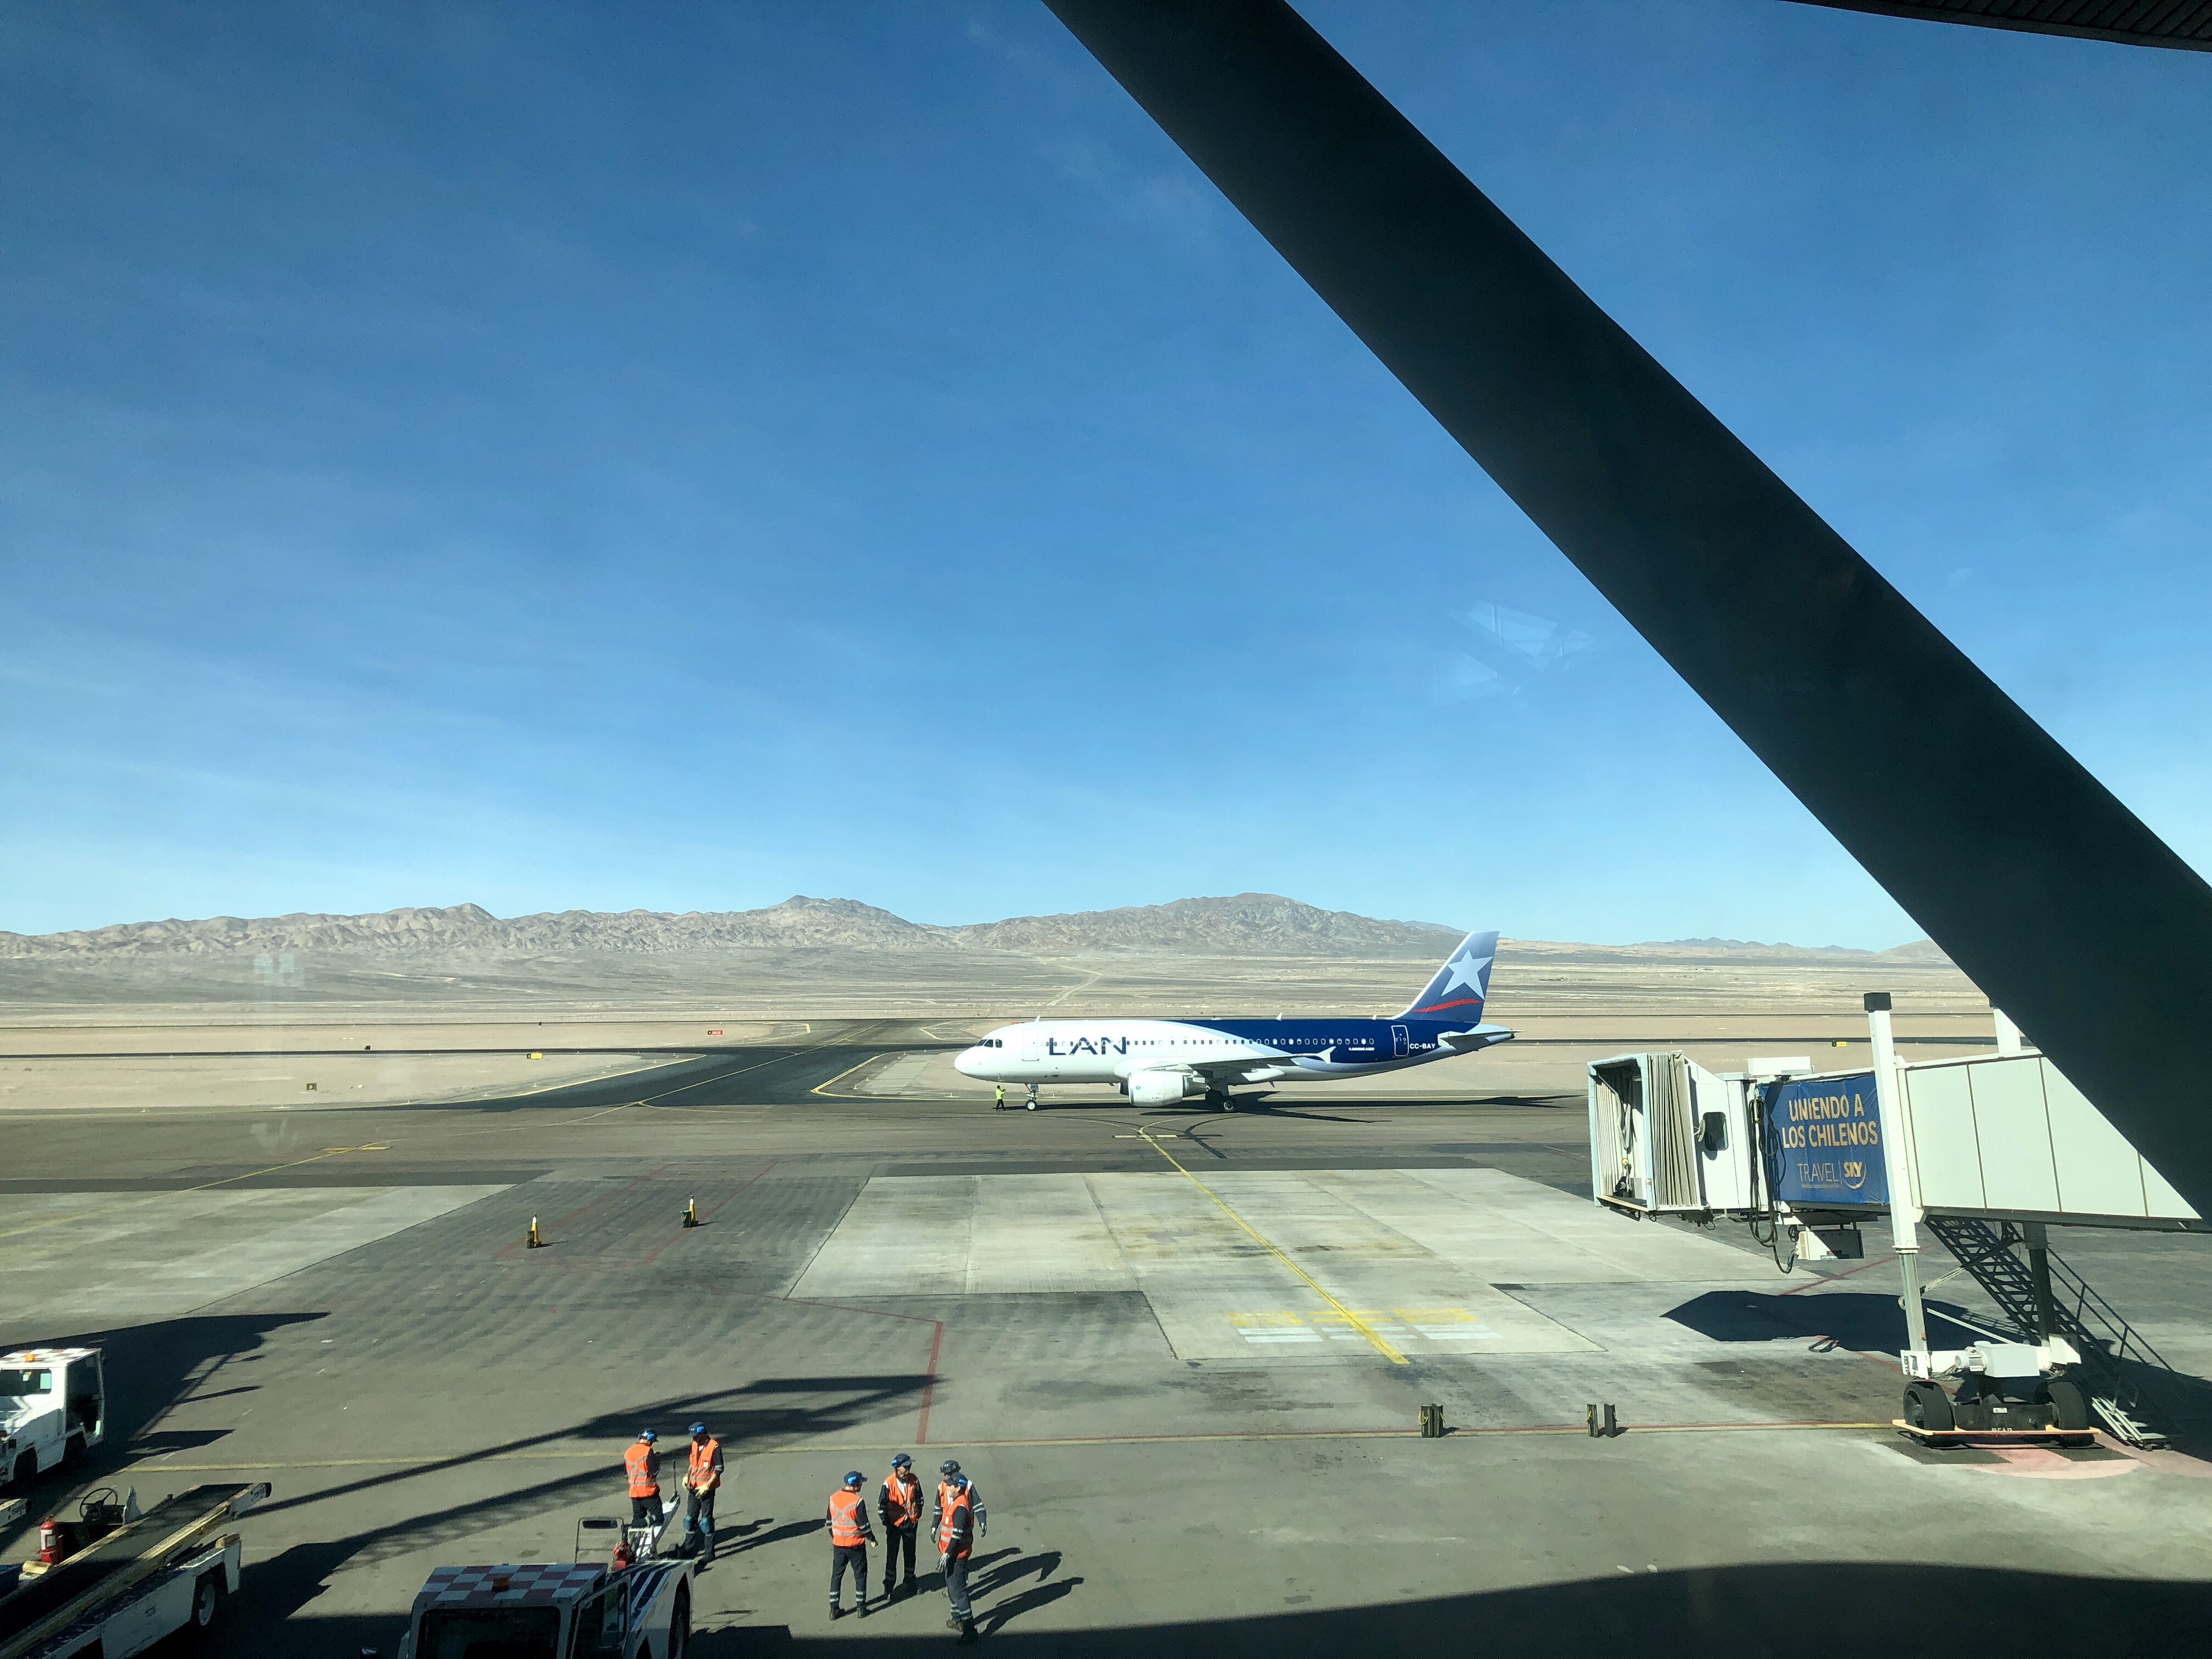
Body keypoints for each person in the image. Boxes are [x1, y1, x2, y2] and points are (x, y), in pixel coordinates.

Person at [935, 1460, 985, 1642]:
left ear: (958, 1488)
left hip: (957, 1556)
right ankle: (957, 1619)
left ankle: (969, 1629)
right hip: (953, 1554)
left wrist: (948, 1553)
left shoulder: (961, 1507)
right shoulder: (957, 1502)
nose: (948, 1488)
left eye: (951, 1486)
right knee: (952, 1588)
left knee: (959, 1592)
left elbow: (956, 1535)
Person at [828, 1470, 877, 1619]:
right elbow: (864, 1526)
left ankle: (834, 1609)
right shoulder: (858, 1501)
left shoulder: (833, 1498)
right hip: (856, 1545)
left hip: (839, 1545)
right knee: (860, 1575)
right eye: (861, 1482)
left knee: (837, 1576)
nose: (862, 1485)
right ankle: (861, 1608)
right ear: (855, 1484)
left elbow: (829, 1522)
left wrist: (835, 1536)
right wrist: (872, 1538)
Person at [879, 1453, 924, 1598]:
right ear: (897, 1467)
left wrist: (916, 1516)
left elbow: (920, 1499)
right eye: (906, 1466)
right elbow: (882, 1507)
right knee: (892, 1556)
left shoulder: (914, 1480)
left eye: (909, 1465)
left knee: (910, 1555)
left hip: (910, 1524)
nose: (909, 1468)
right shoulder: (888, 1484)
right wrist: (888, 1523)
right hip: (894, 1526)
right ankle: (889, 1586)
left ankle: (910, 1582)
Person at [683, 1421, 724, 1565]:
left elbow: (719, 1469)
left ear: (702, 1434)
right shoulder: (695, 1445)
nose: (693, 1438)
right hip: (694, 1487)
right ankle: (688, 1549)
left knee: (706, 1522)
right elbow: (693, 1464)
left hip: (707, 1490)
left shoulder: (714, 1447)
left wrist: (708, 1486)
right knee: (690, 1520)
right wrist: (687, 1476)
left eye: (695, 1436)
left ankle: (709, 1553)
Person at [624, 1429, 663, 1527]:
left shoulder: (628, 1452)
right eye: (652, 1441)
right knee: (658, 1518)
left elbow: (626, 1473)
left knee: (639, 1517)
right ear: (650, 1439)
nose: (652, 1444)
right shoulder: (648, 1451)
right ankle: (633, 1525)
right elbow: (654, 1471)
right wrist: (657, 1459)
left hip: (634, 1493)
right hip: (648, 1492)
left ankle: (634, 1529)